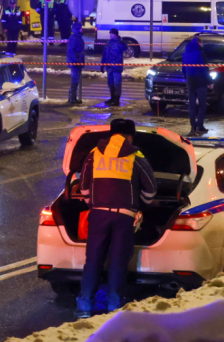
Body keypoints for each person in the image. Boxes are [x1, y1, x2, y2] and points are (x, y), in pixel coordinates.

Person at [74, 118, 158, 318]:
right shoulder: (136, 156)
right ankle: (114, 305)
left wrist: (92, 204)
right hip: (124, 217)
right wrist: (141, 205)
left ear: (111, 134)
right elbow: (151, 189)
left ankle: (85, 304)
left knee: (93, 260)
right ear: (130, 136)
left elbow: (83, 185)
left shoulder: (94, 154)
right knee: (119, 261)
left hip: (98, 215)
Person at [182, 35, 209, 136]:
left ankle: (193, 127)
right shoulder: (200, 53)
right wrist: (209, 81)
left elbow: (184, 69)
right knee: (202, 104)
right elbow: (204, 69)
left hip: (191, 82)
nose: (202, 44)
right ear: (198, 43)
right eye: (201, 42)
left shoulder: (185, 54)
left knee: (191, 105)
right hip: (200, 82)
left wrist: (187, 79)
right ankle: (200, 126)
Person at [101, 29, 127, 106]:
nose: (110, 35)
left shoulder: (120, 43)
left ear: (115, 34)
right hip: (109, 67)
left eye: (112, 34)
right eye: (110, 34)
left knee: (117, 84)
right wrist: (102, 65)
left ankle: (116, 100)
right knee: (110, 83)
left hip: (116, 68)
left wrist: (122, 42)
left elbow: (125, 48)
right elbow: (104, 54)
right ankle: (112, 98)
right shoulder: (108, 43)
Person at [66, 23, 87, 105]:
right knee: (74, 81)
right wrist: (76, 61)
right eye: (80, 28)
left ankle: (73, 98)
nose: (82, 29)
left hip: (78, 62)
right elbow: (71, 51)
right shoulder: (74, 38)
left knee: (76, 81)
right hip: (75, 63)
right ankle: (72, 98)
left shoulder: (78, 37)